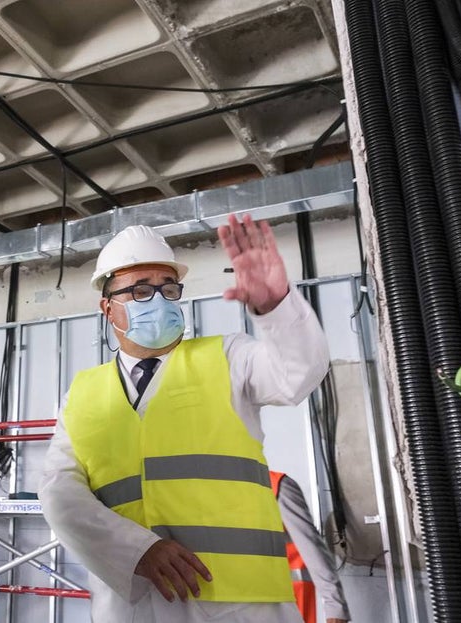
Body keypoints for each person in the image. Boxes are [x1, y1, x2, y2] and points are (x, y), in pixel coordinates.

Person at [39, 216, 331, 622]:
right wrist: (137, 550)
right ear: (108, 309)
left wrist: (275, 305)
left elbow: (298, 375)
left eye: (168, 288)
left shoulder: (228, 357)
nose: (158, 300)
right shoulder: (81, 394)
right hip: (133, 603)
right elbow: (59, 493)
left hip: (242, 603)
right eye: (140, 291)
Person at [270, 471, 350, 623]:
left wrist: (335, 607)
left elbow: (312, 548)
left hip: (285, 607)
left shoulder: (276, 485)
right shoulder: (215, 497)